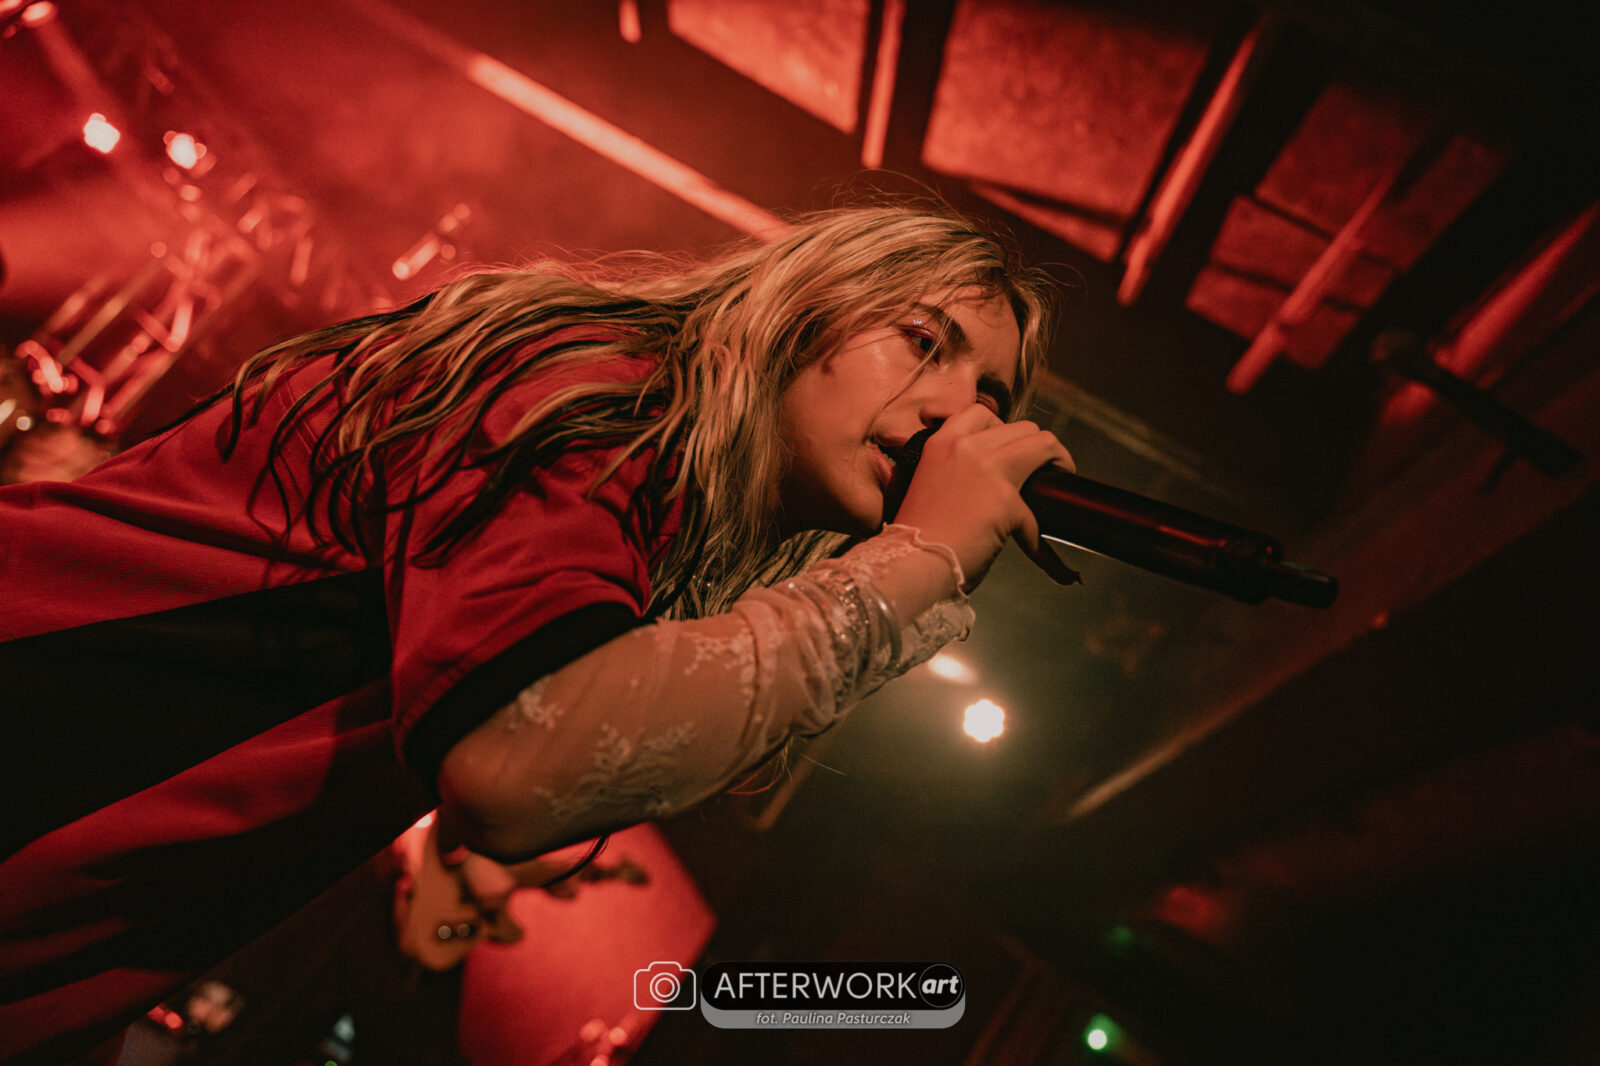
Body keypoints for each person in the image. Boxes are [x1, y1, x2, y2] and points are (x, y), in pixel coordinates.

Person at [0, 204, 1076, 1062]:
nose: (955, 412)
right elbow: (515, 760)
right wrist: (915, 565)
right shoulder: (604, 392)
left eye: (989, 395)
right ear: (806, 306)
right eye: (922, 341)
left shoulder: (651, 514)